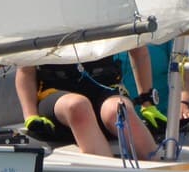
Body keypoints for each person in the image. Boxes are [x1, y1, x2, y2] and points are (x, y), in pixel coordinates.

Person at [13, 47, 163, 160]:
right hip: (55, 96)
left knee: (120, 111)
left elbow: (139, 49)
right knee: (78, 106)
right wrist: (30, 116)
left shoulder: (108, 10)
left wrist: (147, 103)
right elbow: (25, 69)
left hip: (104, 89)